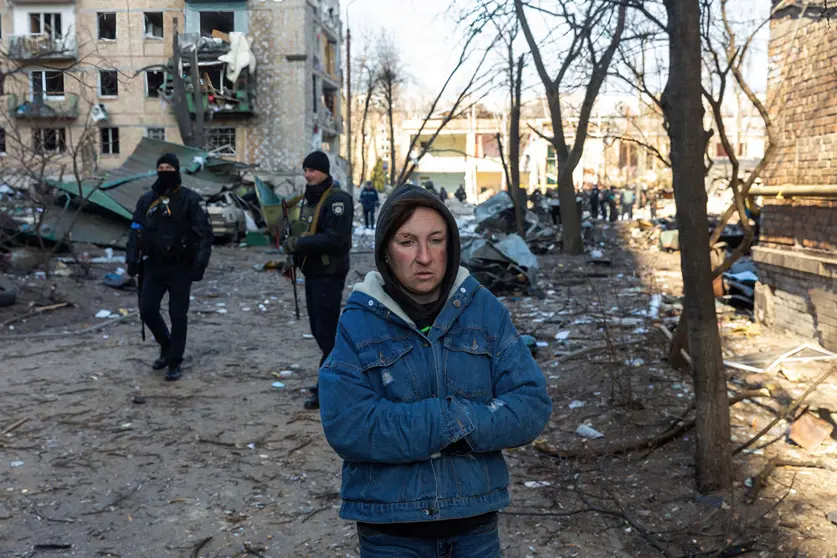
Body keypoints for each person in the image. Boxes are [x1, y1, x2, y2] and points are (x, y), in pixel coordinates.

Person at [319, 185, 552, 558]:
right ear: (386, 252)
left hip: (474, 526)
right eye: (407, 241)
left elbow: (530, 405)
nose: (424, 257)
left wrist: (458, 422)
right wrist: (448, 422)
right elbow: (348, 424)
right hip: (390, 532)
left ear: (451, 246)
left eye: (436, 240)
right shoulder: (359, 322)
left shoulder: (485, 312)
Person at [126, 153, 213, 382]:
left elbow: (205, 235)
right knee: (147, 310)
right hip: (153, 266)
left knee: (178, 315)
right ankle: (166, 344)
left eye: (168, 167)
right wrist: (131, 259)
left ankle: (174, 361)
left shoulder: (190, 200)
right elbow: (135, 230)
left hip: (180, 267)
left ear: (176, 170)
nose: (164, 171)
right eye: (160, 167)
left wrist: (200, 265)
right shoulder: (146, 200)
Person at [282, 151, 354, 410]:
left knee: (327, 334)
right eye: (305, 170)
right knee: (319, 331)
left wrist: (299, 243)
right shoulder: (308, 201)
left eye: (312, 170)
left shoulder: (337, 200)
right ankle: (330, 380)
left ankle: (333, 387)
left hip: (328, 275)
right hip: (313, 274)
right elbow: (305, 229)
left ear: (324, 171)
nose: (307, 175)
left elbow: (336, 239)